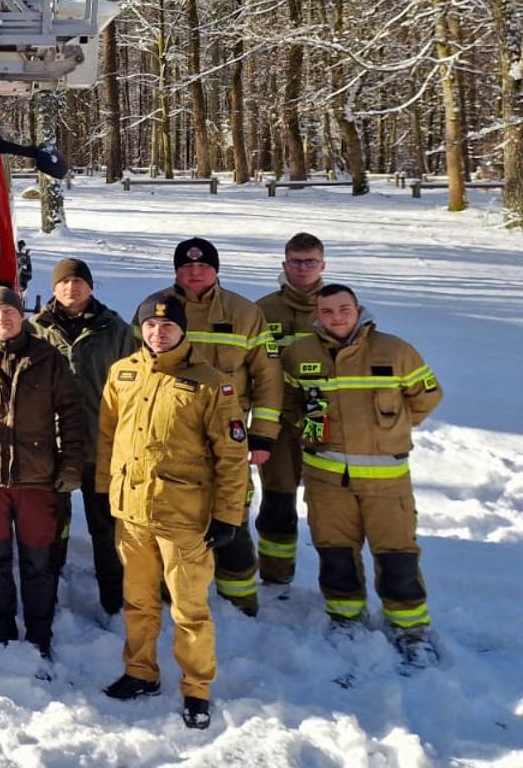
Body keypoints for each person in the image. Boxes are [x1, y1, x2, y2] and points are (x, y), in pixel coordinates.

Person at [98, 295, 248, 730]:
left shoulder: (210, 383)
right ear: (140, 329)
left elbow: (232, 457)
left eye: (167, 327)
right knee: (139, 602)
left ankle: (197, 688)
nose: (158, 333)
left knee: (189, 609)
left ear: (182, 331)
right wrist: (107, 495)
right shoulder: (122, 373)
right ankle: (140, 672)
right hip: (131, 513)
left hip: (183, 516)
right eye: (150, 326)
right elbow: (108, 438)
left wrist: (227, 516)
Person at [282, 284, 443, 664]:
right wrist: (306, 427)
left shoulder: (395, 350)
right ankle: (346, 617)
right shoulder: (299, 354)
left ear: (358, 309)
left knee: (397, 552)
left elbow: (426, 397)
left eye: (343, 309)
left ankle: (409, 627)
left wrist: (389, 432)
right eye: (327, 311)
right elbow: (290, 403)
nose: (336, 317)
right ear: (317, 315)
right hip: (325, 478)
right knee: (335, 551)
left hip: (386, 479)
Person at [0, 286, 87, 657]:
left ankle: (40, 634)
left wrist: (70, 466)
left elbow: (71, 414)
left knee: (39, 562)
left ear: (21, 314)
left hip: (37, 478)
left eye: (8, 312)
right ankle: (2, 630)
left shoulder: (48, 358)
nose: (2, 319)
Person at [144, 237, 282, 615]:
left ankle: (238, 598)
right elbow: (137, 371)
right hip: (170, 436)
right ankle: (172, 592)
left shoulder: (244, 312)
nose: (195, 272)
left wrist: (263, 434)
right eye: (187, 267)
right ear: (176, 271)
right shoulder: (153, 307)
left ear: (215, 270)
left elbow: (268, 377)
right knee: (172, 515)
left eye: (203, 266)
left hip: (229, 437)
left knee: (232, 514)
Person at [29, 257, 137, 616]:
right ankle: (48, 592)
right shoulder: (35, 330)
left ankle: (113, 600)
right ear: (54, 288)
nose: (71, 288)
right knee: (51, 525)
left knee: (105, 527)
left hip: (101, 444)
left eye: (78, 282)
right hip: (51, 445)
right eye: (63, 282)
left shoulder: (117, 330)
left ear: (90, 287)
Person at [252, 232, 326, 585]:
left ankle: (340, 582)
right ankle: (276, 575)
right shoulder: (263, 310)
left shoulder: (336, 307)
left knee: (329, 500)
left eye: (310, 262)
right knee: (278, 498)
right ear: (284, 265)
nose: (302, 269)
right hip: (278, 420)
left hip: (322, 419)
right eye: (296, 262)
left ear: (322, 265)